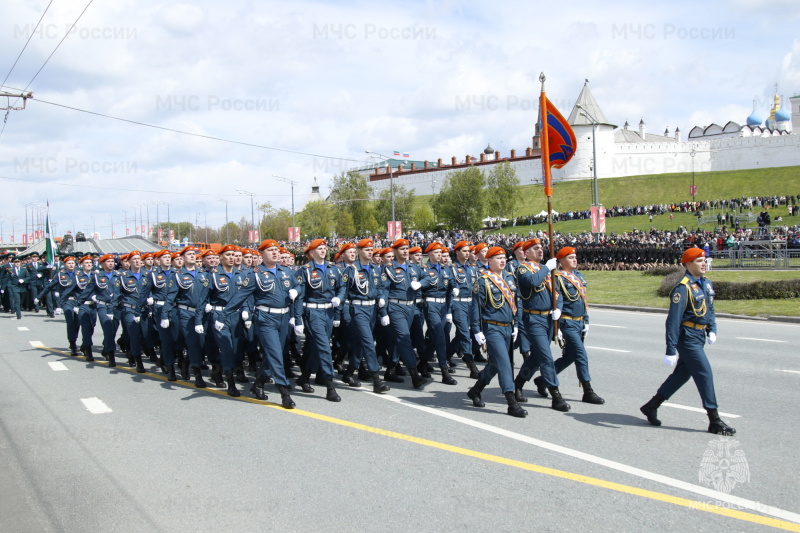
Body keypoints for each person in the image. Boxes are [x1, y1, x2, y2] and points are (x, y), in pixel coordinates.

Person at [640, 247, 736, 435]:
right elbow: (673, 321)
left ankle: (651, 405)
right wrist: (670, 349)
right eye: (699, 261)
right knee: (704, 373)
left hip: (699, 335)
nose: (704, 264)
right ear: (688, 263)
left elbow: (710, 308)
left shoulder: (705, 283)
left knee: (682, 374)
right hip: (688, 337)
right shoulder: (682, 288)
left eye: (704, 260)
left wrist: (712, 329)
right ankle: (714, 420)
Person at [223, 239, 301, 408]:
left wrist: (296, 290)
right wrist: (223, 315)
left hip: (283, 317)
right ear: (262, 253)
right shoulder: (255, 274)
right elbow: (239, 297)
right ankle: (284, 391)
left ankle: (258, 383)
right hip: (265, 318)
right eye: (271, 250)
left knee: (273, 354)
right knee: (275, 354)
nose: (275, 253)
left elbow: (298, 287)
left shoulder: (286, 272)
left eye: (277, 250)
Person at [466, 246, 526, 418]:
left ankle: (475, 390)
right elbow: (476, 308)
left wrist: (516, 324)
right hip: (492, 328)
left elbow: (517, 302)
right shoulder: (483, 280)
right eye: (498, 258)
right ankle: (511, 402)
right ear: (489, 260)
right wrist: (477, 330)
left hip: (508, 327)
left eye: (504, 258)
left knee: (495, 365)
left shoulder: (510, 278)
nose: (502, 261)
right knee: (505, 363)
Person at [512, 240, 570, 412]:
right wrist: (547, 268)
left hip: (548, 319)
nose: (540, 251)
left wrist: (558, 310)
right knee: (546, 357)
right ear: (526, 252)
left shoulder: (546, 270)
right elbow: (532, 282)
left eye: (541, 248)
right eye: (535, 249)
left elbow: (557, 294)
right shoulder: (523, 268)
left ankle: (518, 384)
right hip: (534, 319)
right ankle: (556, 396)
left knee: (536, 357)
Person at [552, 247, 604, 404]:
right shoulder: (557, 277)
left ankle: (544, 378)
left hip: (580, 320)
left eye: (575, 257)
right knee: (581, 354)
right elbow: (557, 300)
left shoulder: (579, 276)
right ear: (561, 261)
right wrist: (557, 325)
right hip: (567, 321)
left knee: (570, 356)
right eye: (570, 257)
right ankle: (588, 391)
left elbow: (583, 301)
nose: (575, 259)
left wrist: (586, 321)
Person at [294, 238, 342, 402]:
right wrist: (298, 319)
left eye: (324, 248)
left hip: (328, 312)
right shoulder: (305, 270)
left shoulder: (333, 269)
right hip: (312, 312)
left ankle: (304, 377)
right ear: (312, 252)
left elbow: (341, 286)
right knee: (324, 347)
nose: (323, 250)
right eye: (319, 248)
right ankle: (330, 387)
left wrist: (339, 299)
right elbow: (299, 296)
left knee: (314, 348)